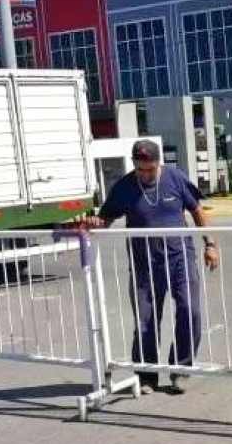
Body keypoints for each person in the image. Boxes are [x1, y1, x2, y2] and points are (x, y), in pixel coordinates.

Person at [78, 139, 219, 394]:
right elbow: (106, 218)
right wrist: (95, 222)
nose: (144, 174)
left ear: (159, 163)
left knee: (190, 311)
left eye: (149, 169)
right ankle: (146, 376)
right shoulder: (124, 187)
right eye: (140, 169)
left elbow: (197, 210)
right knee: (146, 321)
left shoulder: (175, 178)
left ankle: (180, 369)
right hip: (144, 263)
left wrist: (210, 243)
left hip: (179, 258)